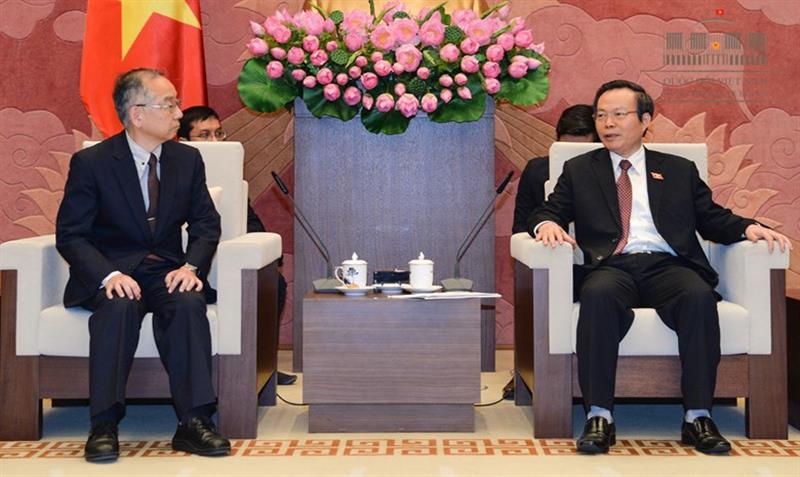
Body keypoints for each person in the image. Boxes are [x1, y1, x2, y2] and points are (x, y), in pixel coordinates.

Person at [529, 79, 791, 455]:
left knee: (698, 297)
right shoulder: (579, 169)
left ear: (645, 120)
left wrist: (748, 228)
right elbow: (548, 210)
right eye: (601, 115)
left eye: (619, 114)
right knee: (597, 297)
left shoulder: (678, 169)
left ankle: (698, 416)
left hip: (667, 265)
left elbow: (711, 217)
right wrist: (546, 224)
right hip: (611, 266)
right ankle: (599, 415)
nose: (608, 123)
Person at [56, 69, 231, 462]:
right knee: (118, 307)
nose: (178, 113)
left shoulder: (187, 160)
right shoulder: (92, 163)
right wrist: (108, 275)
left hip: (165, 269)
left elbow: (206, 223)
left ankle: (194, 422)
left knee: (188, 302)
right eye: (169, 105)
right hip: (112, 269)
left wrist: (191, 268)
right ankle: (103, 425)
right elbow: (71, 234)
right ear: (137, 114)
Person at [178, 106, 297, 386]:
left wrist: (250, 252)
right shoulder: (172, 177)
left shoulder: (232, 181)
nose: (215, 142)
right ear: (183, 142)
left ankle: (261, 365)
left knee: (273, 282)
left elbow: (253, 226)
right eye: (204, 135)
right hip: (184, 265)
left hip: (228, 264)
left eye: (219, 133)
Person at [512, 104, 598, 234]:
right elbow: (521, 227)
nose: (574, 162)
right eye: (566, 149)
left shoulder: (613, 171)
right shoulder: (536, 171)